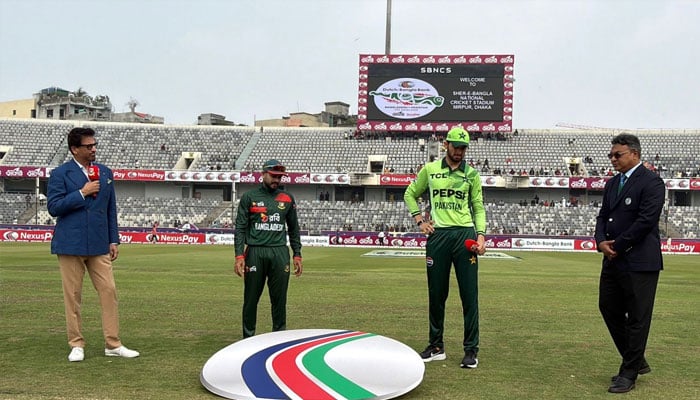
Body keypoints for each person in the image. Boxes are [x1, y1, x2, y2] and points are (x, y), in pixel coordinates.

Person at [47, 127, 139, 362]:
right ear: (74, 149)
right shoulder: (60, 174)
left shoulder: (105, 173)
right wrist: (82, 193)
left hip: (99, 244)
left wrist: (113, 239)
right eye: (89, 146)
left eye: (94, 145)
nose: (94, 149)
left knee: (109, 291)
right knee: (73, 295)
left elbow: (110, 209)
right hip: (70, 244)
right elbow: (54, 207)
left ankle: (113, 343)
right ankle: (76, 344)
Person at [403, 126, 486, 369]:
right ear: (445, 145)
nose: (460, 152)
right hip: (438, 236)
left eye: (463, 148)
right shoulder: (429, 170)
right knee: (436, 294)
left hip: (464, 236)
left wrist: (480, 236)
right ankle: (436, 346)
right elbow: (410, 194)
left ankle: (471, 350)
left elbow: (478, 207)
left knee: (469, 296)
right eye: (456, 147)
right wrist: (420, 220)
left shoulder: (472, 174)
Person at [595, 133, 665, 394]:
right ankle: (635, 360)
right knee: (608, 308)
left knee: (637, 317)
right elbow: (603, 216)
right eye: (611, 155)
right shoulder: (613, 183)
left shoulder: (652, 182)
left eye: (617, 155)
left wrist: (618, 245)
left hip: (639, 260)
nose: (612, 159)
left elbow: (646, 221)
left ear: (634, 154)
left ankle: (629, 372)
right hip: (612, 258)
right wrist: (601, 241)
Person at [234, 159, 303, 338]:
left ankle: (277, 339)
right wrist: (239, 256)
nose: (277, 180)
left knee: (279, 301)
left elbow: (294, 229)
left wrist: (297, 254)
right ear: (262, 174)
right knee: (250, 300)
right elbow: (240, 228)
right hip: (255, 252)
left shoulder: (287, 198)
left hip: (279, 252)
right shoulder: (249, 197)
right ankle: (248, 339)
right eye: (273, 176)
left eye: (280, 177)